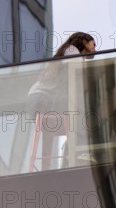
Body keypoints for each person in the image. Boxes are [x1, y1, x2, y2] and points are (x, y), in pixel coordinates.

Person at [26, 32, 96, 170]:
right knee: (82, 107)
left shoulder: (66, 52)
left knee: (76, 106)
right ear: (84, 42)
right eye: (93, 44)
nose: (95, 48)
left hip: (37, 100)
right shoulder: (72, 51)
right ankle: (80, 150)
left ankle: (72, 149)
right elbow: (78, 78)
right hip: (44, 99)